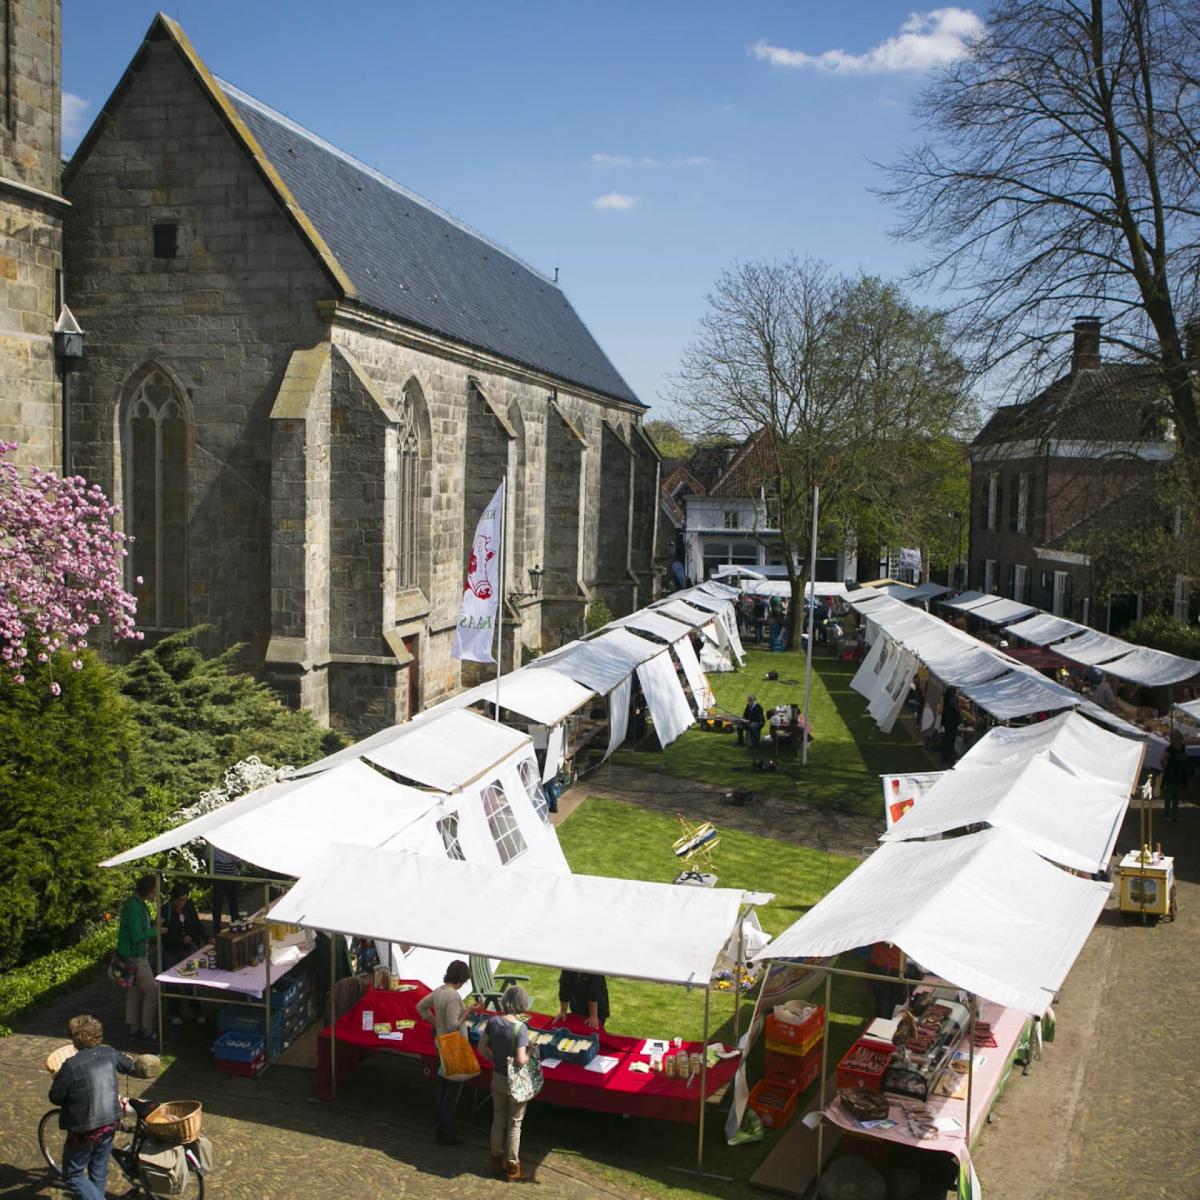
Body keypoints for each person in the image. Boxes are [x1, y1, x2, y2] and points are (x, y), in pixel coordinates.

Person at [48, 1015, 135, 1200]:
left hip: (85, 1130)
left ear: (76, 1039)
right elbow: (128, 1065)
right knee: (98, 1170)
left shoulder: (71, 1066)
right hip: (110, 1121)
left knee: (72, 1175)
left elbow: (55, 1097)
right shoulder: (109, 1053)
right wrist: (128, 1059)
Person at [478, 985, 533, 1183]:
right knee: (514, 1125)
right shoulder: (521, 1028)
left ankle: (495, 1160)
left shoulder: (493, 1022)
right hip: (515, 1081)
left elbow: (481, 1047)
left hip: (497, 1077)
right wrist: (530, 1053)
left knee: (497, 1119)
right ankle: (512, 1167)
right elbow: (520, 1060)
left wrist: (494, 1060)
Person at [416, 959, 473, 1145]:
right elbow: (452, 1025)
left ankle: (440, 1120)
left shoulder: (439, 990)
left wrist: (434, 1023)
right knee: (453, 1088)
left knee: (443, 1083)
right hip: (452, 1045)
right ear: (462, 980)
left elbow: (421, 1007)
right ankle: (445, 1129)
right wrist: (468, 1012)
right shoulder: (453, 997)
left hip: (440, 1042)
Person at [116, 875, 159, 1046]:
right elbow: (136, 935)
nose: (155, 895)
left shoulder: (136, 904)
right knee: (151, 990)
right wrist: (156, 931)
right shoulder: (134, 907)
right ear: (147, 892)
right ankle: (147, 1031)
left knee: (134, 990)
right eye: (154, 891)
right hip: (136, 956)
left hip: (133, 955)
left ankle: (134, 1027)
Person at [159, 881, 207, 1027]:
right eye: (179, 900)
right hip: (171, 951)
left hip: (187, 951)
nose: (182, 903)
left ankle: (197, 1011)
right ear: (173, 899)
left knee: (190, 981)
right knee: (172, 982)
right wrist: (180, 939)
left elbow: (197, 925)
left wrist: (207, 938)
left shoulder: (189, 908)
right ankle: (175, 1012)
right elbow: (162, 934)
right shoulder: (165, 910)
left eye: (184, 900)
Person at [209, 844, 241, 934]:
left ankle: (216, 929)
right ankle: (235, 925)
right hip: (230, 874)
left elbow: (207, 855)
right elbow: (236, 858)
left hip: (217, 874)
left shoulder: (212, 842)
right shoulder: (228, 842)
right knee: (233, 901)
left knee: (217, 903)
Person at [1163, 733, 1187, 822]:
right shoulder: (1170, 749)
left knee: (1177, 797)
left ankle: (1175, 814)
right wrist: (1166, 769)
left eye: (1181, 739)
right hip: (1171, 776)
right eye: (1179, 739)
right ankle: (1167, 814)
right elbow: (1162, 759)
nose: (1180, 740)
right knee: (1169, 796)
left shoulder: (1183, 747)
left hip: (1179, 776)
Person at [940, 688, 961, 765]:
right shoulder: (952, 699)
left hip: (947, 722)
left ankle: (945, 757)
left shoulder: (947, 698)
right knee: (950, 741)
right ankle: (947, 757)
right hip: (951, 723)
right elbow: (956, 709)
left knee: (947, 739)